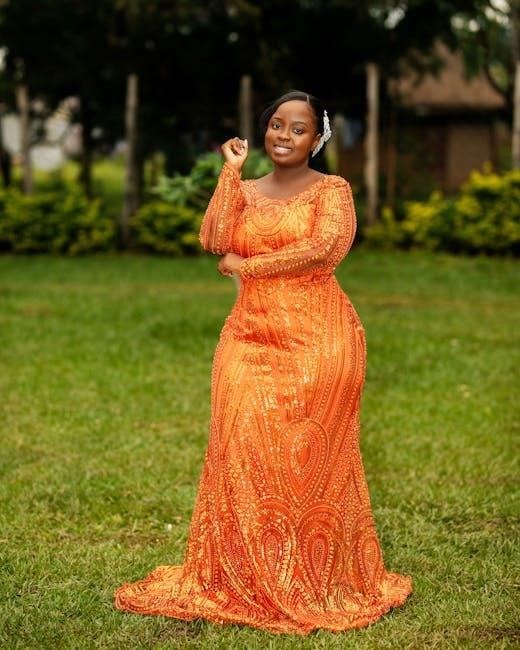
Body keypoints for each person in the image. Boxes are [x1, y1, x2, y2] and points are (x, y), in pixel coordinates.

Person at [114, 90, 412, 634]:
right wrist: (230, 173)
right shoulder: (247, 190)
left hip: (318, 340)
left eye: (298, 129)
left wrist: (248, 266)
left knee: (305, 461)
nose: (284, 136)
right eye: (277, 125)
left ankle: (310, 572)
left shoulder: (332, 190)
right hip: (249, 336)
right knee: (239, 446)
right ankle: (242, 575)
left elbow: (324, 249)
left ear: (317, 138)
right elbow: (213, 238)